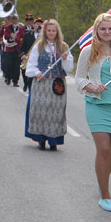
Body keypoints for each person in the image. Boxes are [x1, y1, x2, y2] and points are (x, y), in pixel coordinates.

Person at [74, 12, 111, 213]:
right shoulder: (88, 51)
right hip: (97, 106)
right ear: (96, 31)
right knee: (104, 150)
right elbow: (79, 79)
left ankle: (102, 178)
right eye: (103, 29)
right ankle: (105, 195)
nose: (107, 32)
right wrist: (92, 87)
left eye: (110, 28)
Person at [24, 19, 72, 150]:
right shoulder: (38, 46)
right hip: (42, 84)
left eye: (54, 30)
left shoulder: (63, 46)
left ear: (57, 32)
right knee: (41, 109)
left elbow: (69, 68)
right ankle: (41, 139)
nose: (51, 33)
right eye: (49, 30)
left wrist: (65, 59)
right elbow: (30, 66)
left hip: (57, 83)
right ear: (45, 32)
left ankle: (54, 141)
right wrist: (37, 72)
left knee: (56, 110)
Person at [0, 14, 24, 86]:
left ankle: (15, 81)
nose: (14, 22)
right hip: (9, 49)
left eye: (15, 20)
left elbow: (22, 35)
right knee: (9, 65)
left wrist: (17, 36)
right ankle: (8, 78)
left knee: (16, 66)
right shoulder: (7, 27)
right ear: (11, 21)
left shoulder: (20, 28)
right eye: (13, 20)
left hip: (17, 50)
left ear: (17, 20)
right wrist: (12, 35)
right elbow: (6, 36)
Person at [19, 16, 42, 92]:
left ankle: (31, 90)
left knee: (32, 80)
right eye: (37, 24)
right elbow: (22, 47)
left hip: (38, 61)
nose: (38, 26)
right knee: (25, 74)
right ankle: (26, 83)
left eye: (40, 24)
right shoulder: (27, 35)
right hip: (27, 58)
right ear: (33, 25)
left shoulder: (44, 38)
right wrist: (23, 55)